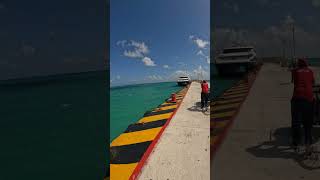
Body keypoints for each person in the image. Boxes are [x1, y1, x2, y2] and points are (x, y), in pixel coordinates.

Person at [291, 58, 315, 154]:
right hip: (309, 98)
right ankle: (308, 144)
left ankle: (297, 143)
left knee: (296, 121)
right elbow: (312, 82)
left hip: (298, 98)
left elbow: (295, 82)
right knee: (308, 123)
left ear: (298, 64)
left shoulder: (295, 71)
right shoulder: (310, 71)